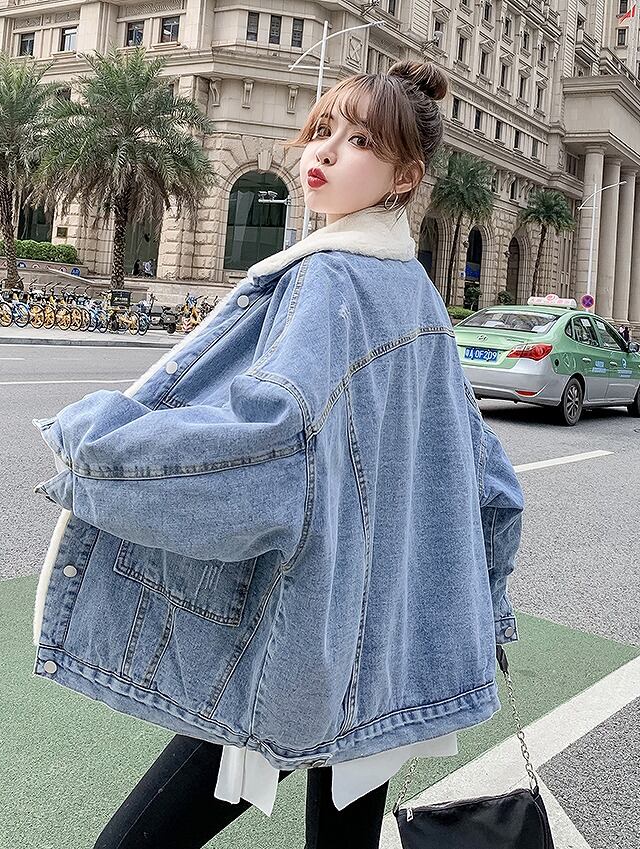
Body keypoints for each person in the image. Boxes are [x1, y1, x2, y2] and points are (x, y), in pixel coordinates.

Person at [30, 61, 523, 849]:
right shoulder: (418, 295)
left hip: (306, 633)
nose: (323, 150)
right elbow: (487, 478)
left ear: (405, 176)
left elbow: (264, 447)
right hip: (385, 642)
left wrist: (96, 446)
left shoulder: (329, 278)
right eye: (323, 129)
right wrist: (483, 605)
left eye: (361, 141)